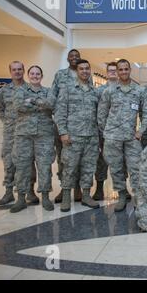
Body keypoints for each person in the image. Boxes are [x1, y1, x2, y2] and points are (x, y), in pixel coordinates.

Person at [97, 59, 143, 212]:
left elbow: (146, 113)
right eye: (120, 70)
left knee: (136, 168)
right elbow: (101, 114)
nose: (123, 72)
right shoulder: (109, 91)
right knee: (116, 168)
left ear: (130, 70)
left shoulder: (138, 91)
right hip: (113, 138)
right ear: (116, 72)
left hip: (131, 137)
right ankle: (122, 195)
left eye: (126, 69)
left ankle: (138, 196)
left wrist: (140, 131)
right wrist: (107, 133)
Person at [55, 59, 100, 212]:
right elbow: (60, 112)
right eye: (82, 69)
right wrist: (63, 132)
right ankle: (66, 196)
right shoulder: (67, 89)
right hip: (72, 137)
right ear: (77, 71)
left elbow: (98, 115)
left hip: (91, 137)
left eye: (87, 68)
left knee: (89, 167)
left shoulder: (94, 91)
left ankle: (86, 195)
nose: (85, 71)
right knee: (69, 167)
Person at [11, 65, 56, 212]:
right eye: (32, 73)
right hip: (24, 135)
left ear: (41, 76)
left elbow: (51, 104)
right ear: (28, 75)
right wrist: (40, 103)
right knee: (22, 167)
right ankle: (21, 199)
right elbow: (19, 107)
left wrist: (32, 100)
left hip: (44, 135)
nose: (35, 76)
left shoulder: (48, 91)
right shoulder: (20, 90)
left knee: (44, 167)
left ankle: (45, 197)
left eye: (38, 74)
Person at [0, 61, 36, 206]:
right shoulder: (4, 91)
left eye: (20, 69)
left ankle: (30, 191)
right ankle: (8, 192)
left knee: (28, 162)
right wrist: (7, 121)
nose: (17, 72)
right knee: (9, 162)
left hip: (27, 132)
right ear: (10, 72)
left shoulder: (30, 89)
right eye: (14, 69)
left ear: (24, 71)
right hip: (10, 133)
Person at [52, 49, 83, 203]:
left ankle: (77, 189)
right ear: (67, 58)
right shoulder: (60, 75)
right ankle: (63, 189)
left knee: (79, 159)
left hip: (80, 126)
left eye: (77, 56)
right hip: (63, 125)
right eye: (72, 56)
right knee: (63, 160)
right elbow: (53, 97)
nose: (74, 58)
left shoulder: (84, 74)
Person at [92, 62, 118, 201]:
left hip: (120, 133)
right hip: (103, 132)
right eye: (111, 71)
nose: (113, 72)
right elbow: (94, 110)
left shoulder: (124, 89)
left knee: (121, 162)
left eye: (115, 70)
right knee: (101, 161)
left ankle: (121, 189)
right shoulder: (99, 91)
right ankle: (99, 189)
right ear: (107, 73)